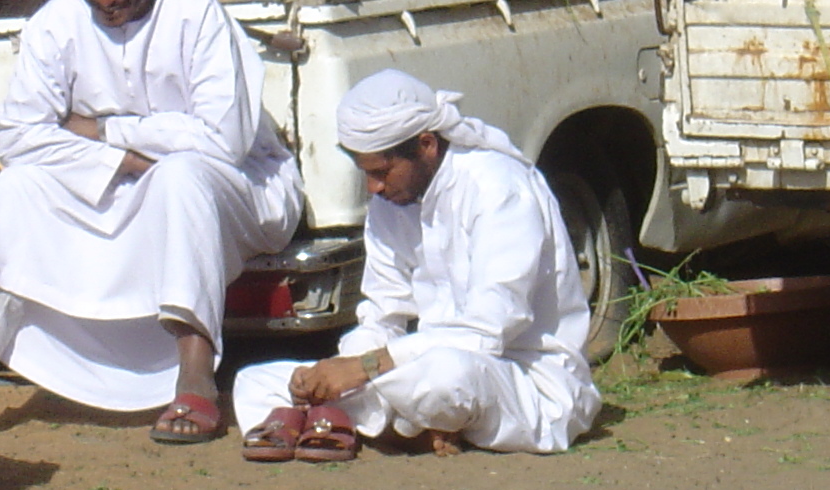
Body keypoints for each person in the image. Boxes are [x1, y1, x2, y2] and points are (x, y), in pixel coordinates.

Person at [0, 0, 303, 443]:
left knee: (180, 176)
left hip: (240, 188)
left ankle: (194, 376)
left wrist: (105, 131)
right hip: (118, 179)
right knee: (18, 188)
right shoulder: (58, 21)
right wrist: (120, 160)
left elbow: (223, 141)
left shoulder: (196, 12)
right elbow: (19, 138)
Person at [231, 70, 598, 462]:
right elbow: (382, 313)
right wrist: (335, 370)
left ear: (426, 145)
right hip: (417, 365)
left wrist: (364, 368)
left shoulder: (498, 188)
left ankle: (376, 425)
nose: (373, 187)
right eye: (365, 173)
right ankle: (399, 427)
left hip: (522, 377)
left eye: (381, 172)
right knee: (254, 380)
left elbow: (487, 332)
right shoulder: (391, 203)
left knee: (447, 378)